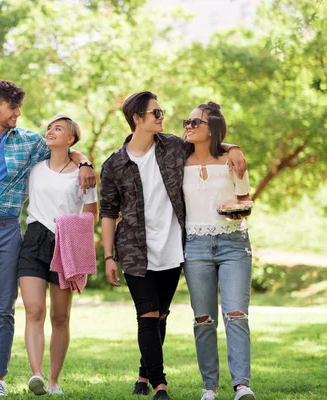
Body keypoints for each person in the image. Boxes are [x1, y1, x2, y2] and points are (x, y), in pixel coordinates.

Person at [0, 80, 96, 397]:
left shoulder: (29, 142)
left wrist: (84, 161)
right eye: (13, 108)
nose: (18, 114)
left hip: (9, 231)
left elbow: (65, 149)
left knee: (4, 307)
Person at [99, 91, 247, 400]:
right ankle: (160, 384)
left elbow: (210, 142)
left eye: (160, 111)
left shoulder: (173, 147)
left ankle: (144, 372)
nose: (161, 116)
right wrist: (109, 255)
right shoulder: (114, 164)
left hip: (172, 248)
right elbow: (109, 212)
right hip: (135, 251)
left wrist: (234, 147)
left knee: (161, 314)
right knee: (147, 316)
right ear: (137, 119)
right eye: (155, 113)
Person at [18, 114, 98, 396]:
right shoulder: (35, 168)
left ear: (71, 138)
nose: (51, 131)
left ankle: (53, 381)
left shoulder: (84, 173)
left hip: (67, 243)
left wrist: (85, 161)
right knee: (34, 310)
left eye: (59, 129)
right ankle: (37, 374)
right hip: (34, 239)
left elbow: (92, 213)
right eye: (50, 127)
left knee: (60, 317)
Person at [181, 102, 256, 400]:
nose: (188, 125)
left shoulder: (232, 160)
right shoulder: (177, 158)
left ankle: (242, 386)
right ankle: (209, 387)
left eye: (195, 122)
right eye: (186, 121)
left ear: (212, 129)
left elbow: (244, 199)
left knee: (236, 315)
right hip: (194, 245)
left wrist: (240, 211)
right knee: (203, 319)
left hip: (233, 243)